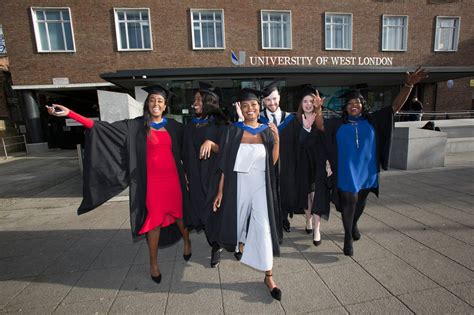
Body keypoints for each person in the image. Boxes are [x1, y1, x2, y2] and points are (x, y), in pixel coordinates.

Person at [46, 85, 192, 283]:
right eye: (152, 100)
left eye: (159, 101)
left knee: (180, 217)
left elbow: (191, 145)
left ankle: (186, 241)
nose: (155, 104)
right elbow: (101, 127)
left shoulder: (175, 127)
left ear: (165, 105)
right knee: (154, 221)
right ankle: (153, 263)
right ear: (147, 104)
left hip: (173, 181)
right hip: (151, 184)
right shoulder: (135, 126)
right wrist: (71, 113)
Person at [309, 68, 428, 256]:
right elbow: (320, 125)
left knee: (361, 201)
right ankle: (348, 237)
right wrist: (317, 109)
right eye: (349, 103)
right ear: (345, 108)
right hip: (347, 170)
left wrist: (409, 85)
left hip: (367, 170)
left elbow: (395, 107)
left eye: (356, 102)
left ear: (363, 104)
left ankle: (353, 223)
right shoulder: (339, 124)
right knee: (350, 201)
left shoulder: (374, 120)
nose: (353, 105)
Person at [208, 88, 282, 301]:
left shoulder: (267, 130)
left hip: (260, 186)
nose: (251, 109)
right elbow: (225, 164)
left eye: (254, 105)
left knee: (264, 227)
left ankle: (269, 275)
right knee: (235, 220)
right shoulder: (232, 130)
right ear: (240, 107)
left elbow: (273, 162)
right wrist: (220, 191)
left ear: (260, 107)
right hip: (238, 184)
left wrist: (276, 140)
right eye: (246, 105)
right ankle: (239, 244)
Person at [182, 82, 229, 268]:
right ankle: (214, 240)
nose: (195, 104)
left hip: (214, 175)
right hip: (195, 174)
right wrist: (185, 173)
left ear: (209, 102)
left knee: (214, 211)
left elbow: (229, 150)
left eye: (199, 101)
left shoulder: (222, 124)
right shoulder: (191, 125)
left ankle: (216, 246)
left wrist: (212, 144)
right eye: (195, 101)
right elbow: (185, 151)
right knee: (201, 209)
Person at [260, 81, 300, 233]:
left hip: (287, 164)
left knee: (285, 191)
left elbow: (298, 142)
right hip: (267, 163)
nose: (272, 102)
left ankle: (283, 218)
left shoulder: (291, 119)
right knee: (269, 192)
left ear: (279, 98)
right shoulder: (259, 120)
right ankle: (271, 219)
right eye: (268, 100)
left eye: (274, 98)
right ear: (263, 102)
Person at [295, 85, 332, 246]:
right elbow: (295, 145)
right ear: (301, 104)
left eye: (311, 101)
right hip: (302, 163)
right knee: (307, 194)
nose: (308, 104)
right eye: (305, 101)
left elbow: (328, 143)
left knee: (317, 195)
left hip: (318, 163)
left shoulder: (322, 121)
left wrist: (329, 163)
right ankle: (308, 220)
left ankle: (316, 228)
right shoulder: (295, 121)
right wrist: (305, 127)